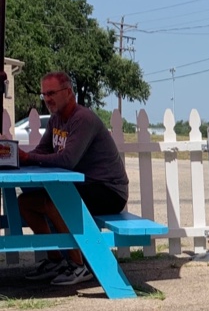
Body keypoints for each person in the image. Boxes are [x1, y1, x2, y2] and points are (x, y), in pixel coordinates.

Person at [17, 71, 128, 285]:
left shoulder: (83, 119)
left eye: (51, 93)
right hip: (84, 186)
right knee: (25, 203)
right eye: (44, 95)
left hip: (108, 190)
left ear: (68, 92)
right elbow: (42, 150)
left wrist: (28, 157)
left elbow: (68, 160)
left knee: (54, 202)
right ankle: (56, 260)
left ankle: (78, 266)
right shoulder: (56, 120)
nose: (47, 99)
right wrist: (17, 158)